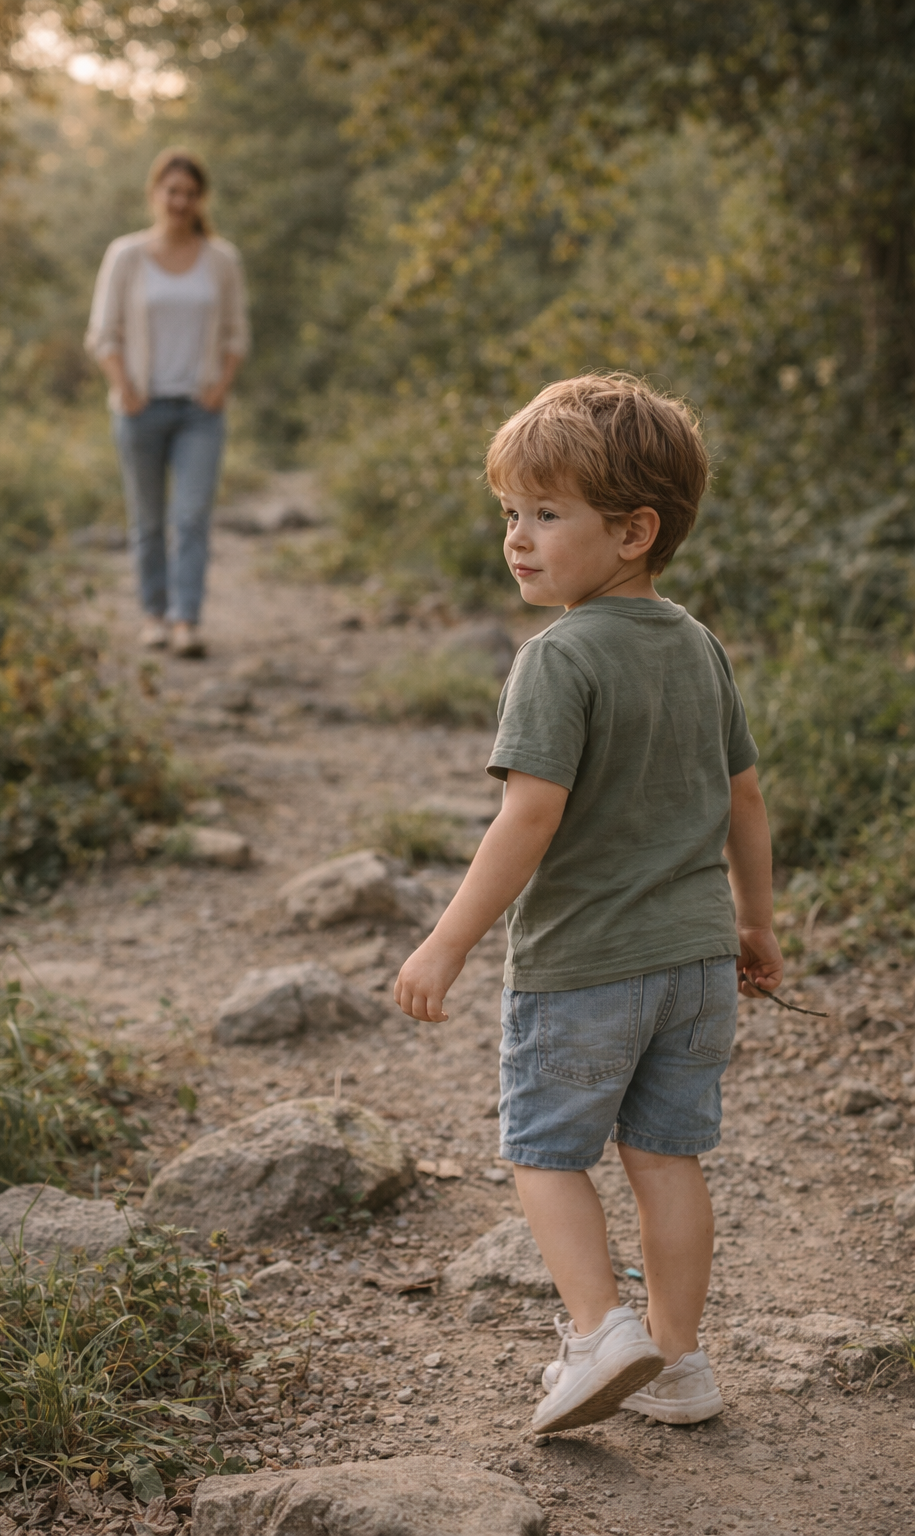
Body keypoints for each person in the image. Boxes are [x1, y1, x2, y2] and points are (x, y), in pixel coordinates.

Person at [394, 374, 783, 1432]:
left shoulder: (557, 658)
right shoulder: (697, 644)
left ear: (633, 531)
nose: (517, 539)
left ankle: (599, 1331)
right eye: (509, 513)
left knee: (543, 1152)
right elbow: (745, 797)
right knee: (665, 1157)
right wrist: (755, 923)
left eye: (546, 514)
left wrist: (446, 943)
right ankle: (680, 1361)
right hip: (696, 964)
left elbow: (528, 818)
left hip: (584, 968)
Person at [85, 147, 249, 658]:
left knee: (192, 516)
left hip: (200, 411)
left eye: (190, 193)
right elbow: (102, 333)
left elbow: (237, 334)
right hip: (140, 408)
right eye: (172, 191)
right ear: (155, 193)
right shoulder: (126, 255)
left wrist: (221, 386)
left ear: (201, 199)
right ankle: (153, 615)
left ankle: (185, 621)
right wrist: (125, 389)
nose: (180, 201)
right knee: (148, 520)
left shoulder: (222, 260)